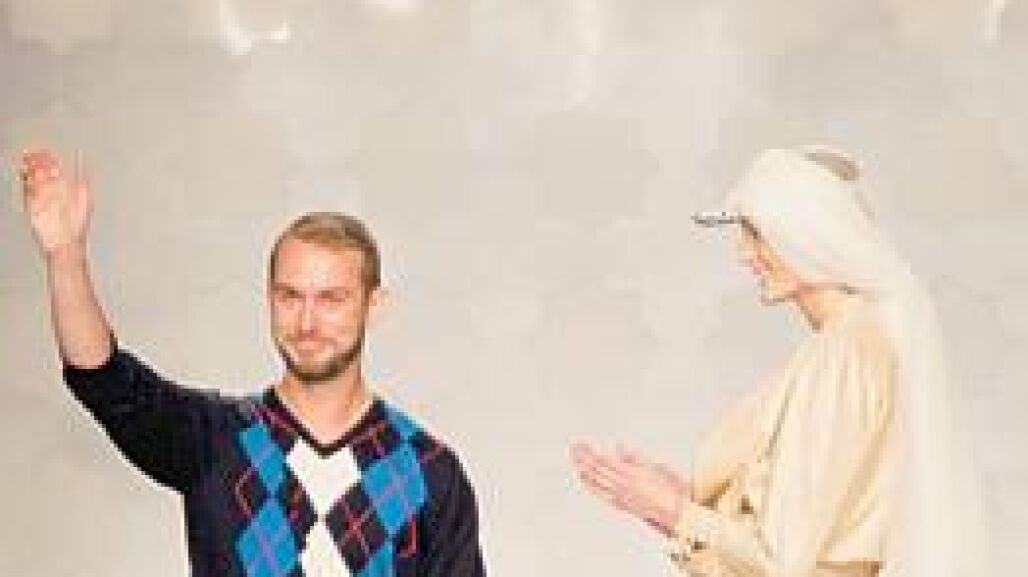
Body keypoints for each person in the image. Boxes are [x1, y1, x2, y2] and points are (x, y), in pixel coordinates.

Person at [17, 148, 487, 577]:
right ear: (269, 299)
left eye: (331, 299)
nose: (307, 322)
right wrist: (65, 257)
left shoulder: (429, 473)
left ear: (374, 306)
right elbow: (103, 379)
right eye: (290, 296)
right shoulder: (216, 441)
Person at [571, 145, 991, 577]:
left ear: (807, 234)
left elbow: (782, 560)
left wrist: (677, 511)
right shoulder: (853, 342)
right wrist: (679, 512)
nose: (743, 254)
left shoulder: (845, 353)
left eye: (757, 234)